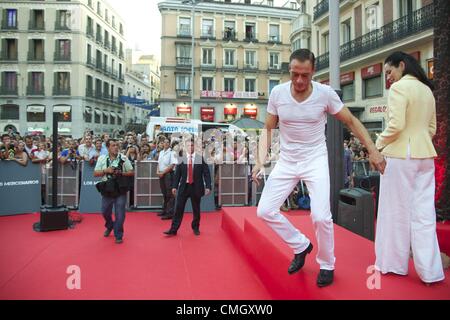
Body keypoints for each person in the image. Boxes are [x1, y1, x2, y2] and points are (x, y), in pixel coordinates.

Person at [252, 49, 386, 287]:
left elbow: (352, 121)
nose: (300, 81)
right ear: (290, 72)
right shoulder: (277, 93)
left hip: (315, 159)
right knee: (264, 211)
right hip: (287, 160)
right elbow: (268, 128)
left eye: (305, 75)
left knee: (321, 216)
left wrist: (372, 150)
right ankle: (301, 245)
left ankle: (327, 264)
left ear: (313, 72)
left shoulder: (325, 94)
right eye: (295, 75)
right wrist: (259, 160)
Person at [374, 51, 445, 284]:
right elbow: (432, 128)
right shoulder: (427, 89)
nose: (388, 78)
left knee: (394, 212)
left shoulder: (398, 89)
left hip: (400, 155)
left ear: (401, 65)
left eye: (390, 72)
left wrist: (378, 144)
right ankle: (431, 271)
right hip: (425, 155)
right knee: (424, 214)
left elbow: (395, 125)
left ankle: (393, 264)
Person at [164, 139, 212, 236]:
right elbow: (177, 174)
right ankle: (173, 229)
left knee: (196, 209)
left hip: (196, 187)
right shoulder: (182, 158)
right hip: (184, 187)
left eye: (192, 146)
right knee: (178, 208)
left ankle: (195, 228)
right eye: (188, 146)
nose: (190, 148)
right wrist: (174, 186)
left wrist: (208, 186)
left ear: (195, 147)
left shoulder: (201, 158)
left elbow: (206, 173)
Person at [94, 139, 134, 244]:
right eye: (113, 145)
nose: (116, 147)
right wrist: (105, 171)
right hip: (107, 189)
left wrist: (121, 173)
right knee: (104, 211)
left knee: (120, 213)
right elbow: (95, 173)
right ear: (108, 147)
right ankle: (110, 225)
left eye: (117, 145)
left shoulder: (124, 158)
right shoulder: (102, 158)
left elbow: (131, 172)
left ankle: (118, 234)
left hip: (120, 189)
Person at [158, 138, 176, 220]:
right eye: (164, 142)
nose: (165, 144)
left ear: (169, 143)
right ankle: (164, 210)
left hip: (168, 174)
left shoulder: (172, 153)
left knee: (169, 193)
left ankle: (170, 212)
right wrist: (158, 171)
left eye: (167, 142)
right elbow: (158, 163)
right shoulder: (161, 152)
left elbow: (172, 165)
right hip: (161, 174)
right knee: (164, 192)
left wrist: (163, 173)